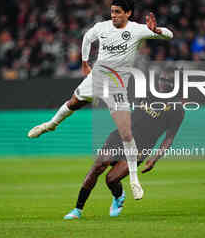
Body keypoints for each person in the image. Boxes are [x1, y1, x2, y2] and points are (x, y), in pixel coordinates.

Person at [28, 0, 173, 200]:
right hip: (96, 79)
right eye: (112, 11)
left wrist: (156, 31)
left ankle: (133, 179)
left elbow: (169, 35)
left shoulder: (138, 29)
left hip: (117, 86)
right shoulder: (102, 27)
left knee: (126, 133)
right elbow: (87, 37)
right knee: (73, 104)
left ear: (128, 13)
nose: (113, 15)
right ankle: (51, 125)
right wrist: (85, 61)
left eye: (118, 12)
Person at [64, 67, 185, 219]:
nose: (162, 83)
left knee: (111, 179)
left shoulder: (177, 109)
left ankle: (118, 196)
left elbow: (169, 138)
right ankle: (77, 210)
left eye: (167, 81)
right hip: (120, 136)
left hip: (141, 148)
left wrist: (155, 159)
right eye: (161, 79)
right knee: (97, 167)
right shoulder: (147, 92)